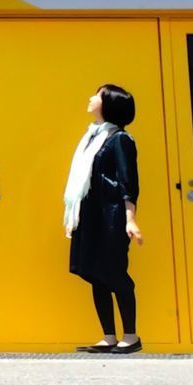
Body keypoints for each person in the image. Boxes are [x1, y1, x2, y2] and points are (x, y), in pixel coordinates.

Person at [64, 84, 143, 355]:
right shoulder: (92, 138)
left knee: (114, 272)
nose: (90, 98)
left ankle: (130, 336)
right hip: (91, 214)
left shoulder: (120, 139)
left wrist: (129, 218)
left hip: (110, 215)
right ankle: (109, 336)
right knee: (95, 273)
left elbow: (128, 181)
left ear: (108, 104)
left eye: (97, 95)